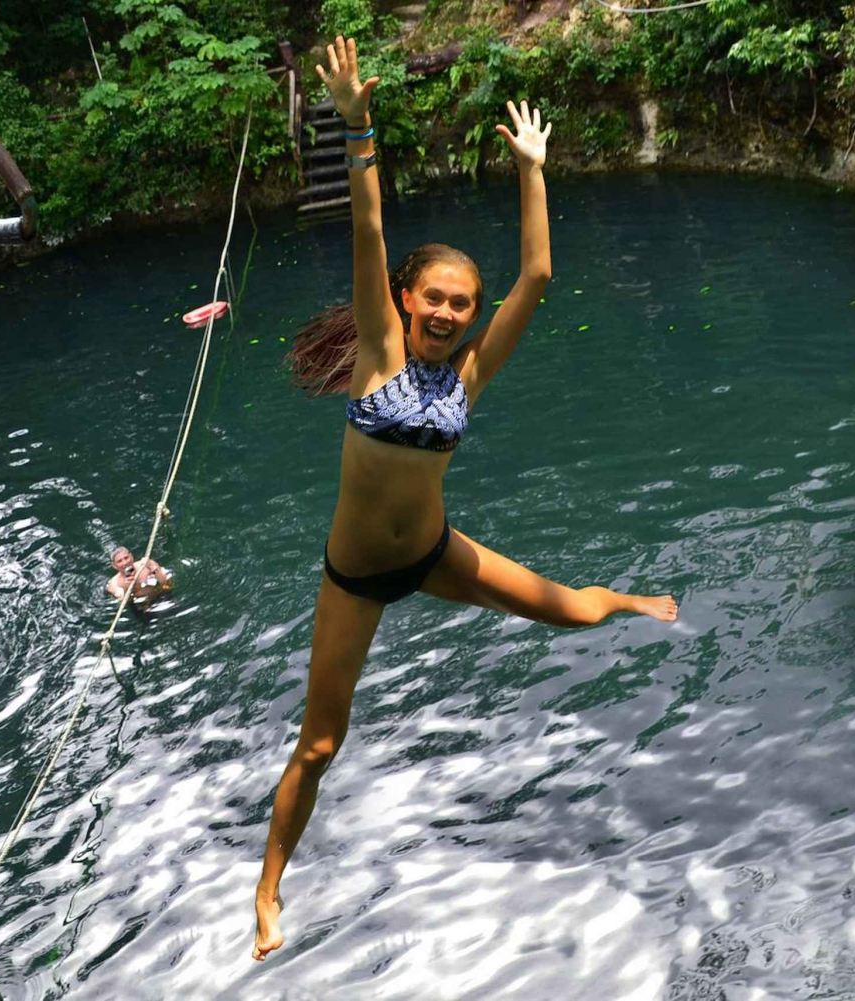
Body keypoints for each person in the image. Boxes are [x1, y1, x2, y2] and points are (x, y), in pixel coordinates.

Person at [253, 36, 678, 962]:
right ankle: (268, 889)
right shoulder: (378, 357)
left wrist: (532, 169)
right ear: (405, 299)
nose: (449, 313)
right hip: (358, 581)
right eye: (435, 298)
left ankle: (635, 599)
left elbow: (538, 278)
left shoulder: (468, 378)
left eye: (462, 303)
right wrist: (358, 129)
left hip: (436, 553)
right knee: (320, 746)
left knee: (571, 612)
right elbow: (366, 231)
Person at [105, 546, 172, 604]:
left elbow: (165, 582)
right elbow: (125, 602)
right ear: (114, 566)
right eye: (120, 561)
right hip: (140, 606)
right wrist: (127, 589)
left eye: (126, 558)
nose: (125, 563)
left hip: (162, 594)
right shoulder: (114, 583)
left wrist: (153, 569)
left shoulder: (145, 565)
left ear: (131, 556)